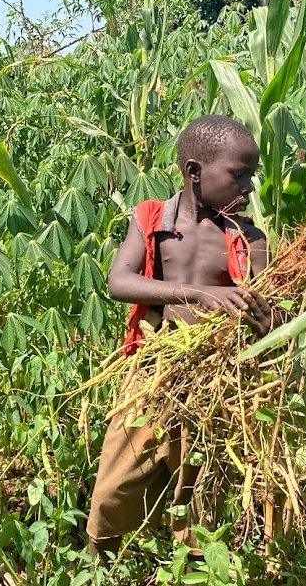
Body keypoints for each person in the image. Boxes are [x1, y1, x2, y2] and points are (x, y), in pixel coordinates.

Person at [86, 115, 274, 561]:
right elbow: (120, 282)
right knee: (117, 478)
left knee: (200, 483)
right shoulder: (151, 219)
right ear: (193, 172)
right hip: (152, 369)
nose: (248, 188)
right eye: (238, 175)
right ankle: (101, 560)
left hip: (215, 380)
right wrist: (196, 293)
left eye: (251, 175)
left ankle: (194, 563)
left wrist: (267, 319)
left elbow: (269, 307)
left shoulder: (250, 238)